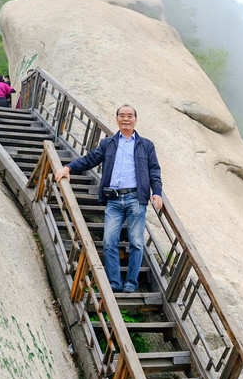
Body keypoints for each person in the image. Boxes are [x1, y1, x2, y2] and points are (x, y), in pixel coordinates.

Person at [54, 105, 163, 293]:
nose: (126, 119)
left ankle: (131, 282)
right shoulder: (108, 143)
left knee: (136, 242)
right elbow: (90, 160)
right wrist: (68, 168)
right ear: (117, 119)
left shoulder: (146, 145)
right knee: (109, 241)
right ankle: (114, 282)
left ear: (135, 119)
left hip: (136, 198)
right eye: (122, 116)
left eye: (130, 116)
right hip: (113, 200)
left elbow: (154, 170)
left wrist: (157, 192)